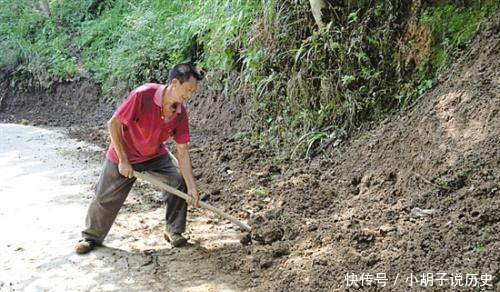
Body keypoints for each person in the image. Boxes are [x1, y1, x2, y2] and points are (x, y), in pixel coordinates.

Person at [75, 63, 202, 254]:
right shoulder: (143, 95)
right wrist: (123, 160)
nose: (190, 95)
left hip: (154, 155)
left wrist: (192, 187)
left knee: (178, 181)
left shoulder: (180, 113)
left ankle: (173, 231)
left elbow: (182, 152)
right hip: (124, 153)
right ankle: (90, 237)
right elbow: (113, 124)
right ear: (175, 82)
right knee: (105, 196)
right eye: (188, 90)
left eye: (193, 92)